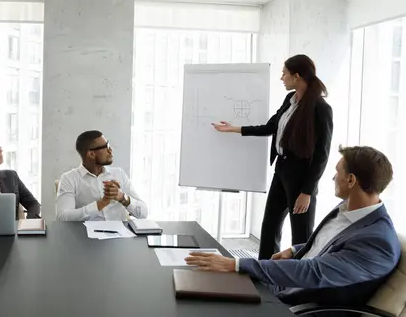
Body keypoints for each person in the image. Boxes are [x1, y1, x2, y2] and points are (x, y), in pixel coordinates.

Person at [185, 145, 400, 307]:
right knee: (206, 282)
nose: (334, 177)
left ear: (351, 180)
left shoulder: (378, 241)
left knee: (216, 300)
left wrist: (236, 264)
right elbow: (329, 245)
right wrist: (295, 249)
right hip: (287, 285)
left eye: (338, 172)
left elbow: (314, 272)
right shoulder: (348, 209)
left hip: (302, 303)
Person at [213, 54, 333, 259]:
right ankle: (263, 273)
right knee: (269, 227)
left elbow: (322, 154)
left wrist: (307, 192)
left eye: (284, 73)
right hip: (282, 171)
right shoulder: (290, 99)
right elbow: (270, 127)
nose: (281, 78)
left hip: (302, 180)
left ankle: (297, 285)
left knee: (301, 236)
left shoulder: (321, 109)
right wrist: (234, 129)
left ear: (296, 76)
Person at [56, 130, 148, 221]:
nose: (110, 150)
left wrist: (122, 197)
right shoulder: (69, 179)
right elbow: (63, 217)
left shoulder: (119, 174)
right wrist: (101, 203)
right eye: (106, 146)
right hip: (85, 235)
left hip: (120, 235)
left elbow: (144, 213)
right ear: (91, 154)